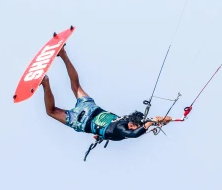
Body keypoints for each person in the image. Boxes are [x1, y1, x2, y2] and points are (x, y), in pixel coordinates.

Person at [40, 46, 172, 141]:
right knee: (51, 111)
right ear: (131, 125)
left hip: (90, 108)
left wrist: (158, 121)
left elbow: (142, 124)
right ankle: (45, 82)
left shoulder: (126, 119)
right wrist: (154, 121)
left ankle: (63, 53)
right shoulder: (123, 128)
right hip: (81, 121)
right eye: (133, 127)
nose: (132, 129)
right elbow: (135, 134)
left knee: (76, 86)